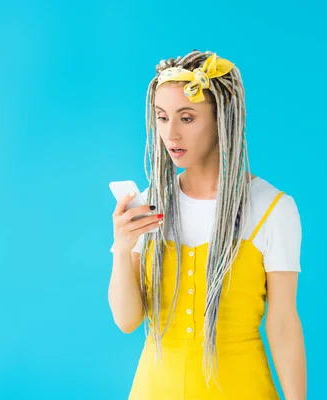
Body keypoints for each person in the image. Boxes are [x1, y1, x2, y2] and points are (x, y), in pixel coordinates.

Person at [108, 50, 307, 399]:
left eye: (187, 118)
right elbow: (127, 321)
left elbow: (283, 323)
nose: (171, 134)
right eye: (162, 117)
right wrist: (122, 249)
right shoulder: (150, 202)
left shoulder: (273, 208)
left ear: (222, 119)